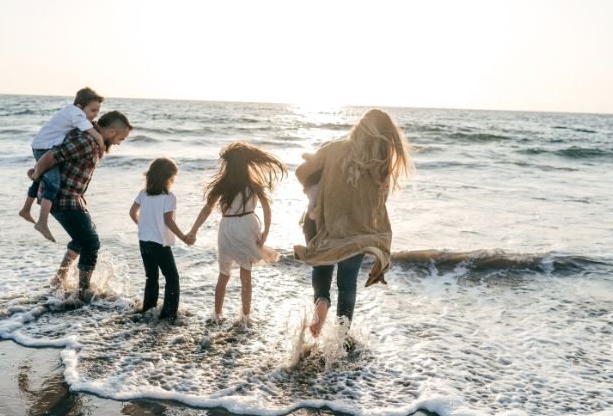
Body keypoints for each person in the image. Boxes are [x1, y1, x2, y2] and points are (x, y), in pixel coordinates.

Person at [294, 109, 413, 338]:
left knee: (322, 269)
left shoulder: (332, 148)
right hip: (358, 236)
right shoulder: (380, 165)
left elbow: (302, 172)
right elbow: (379, 203)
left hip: (326, 229)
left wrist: (316, 183)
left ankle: (322, 302)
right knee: (347, 285)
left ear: (358, 128)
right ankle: (342, 337)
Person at [28, 109, 132, 302]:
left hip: (72, 197)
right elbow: (52, 156)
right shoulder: (86, 141)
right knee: (91, 243)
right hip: (63, 198)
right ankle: (83, 292)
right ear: (110, 132)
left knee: (81, 238)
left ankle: (58, 280)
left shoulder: (92, 141)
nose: (118, 143)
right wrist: (36, 173)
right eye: (120, 138)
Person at [186, 142, 287, 323]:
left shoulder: (222, 185)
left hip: (227, 228)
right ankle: (245, 317)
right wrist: (266, 231)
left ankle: (217, 315)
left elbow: (207, 209)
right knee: (245, 275)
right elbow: (266, 208)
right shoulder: (254, 184)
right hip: (247, 226)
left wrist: (193, 230)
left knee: (224, 274)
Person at [20, 88, 107, 242]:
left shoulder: (72, 112)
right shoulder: (77, 114)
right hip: (44, 148)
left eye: (98, 112)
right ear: (80, 106)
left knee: (42, 178)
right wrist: (100, 141)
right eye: (93, 110)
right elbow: (93, 133)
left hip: (42, 145)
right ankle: (42, 222)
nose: (95, 115)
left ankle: (26, 209)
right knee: (53, 184)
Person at [129, 157, 192, 321]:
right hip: (159, 243)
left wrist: (142, 225)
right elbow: (168, 220)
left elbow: (132, 212)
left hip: (143, 241)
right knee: (172, 278)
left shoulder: (143, 193)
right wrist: (184, 237)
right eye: (173, 177)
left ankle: (148, 309)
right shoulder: (169, 197)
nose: (173, 180)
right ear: (167, 177)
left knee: (151, 277)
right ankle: (169, 314)